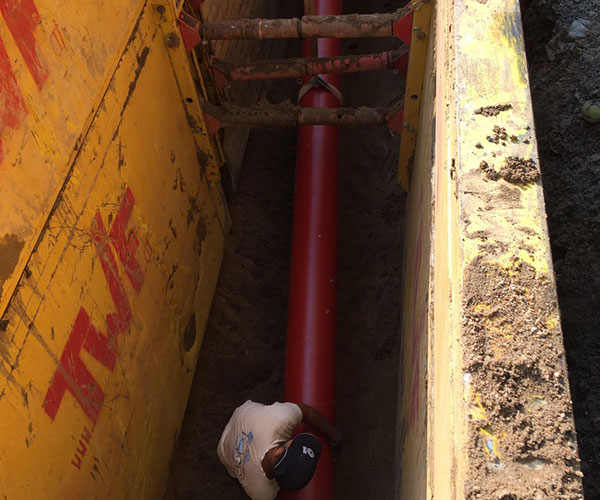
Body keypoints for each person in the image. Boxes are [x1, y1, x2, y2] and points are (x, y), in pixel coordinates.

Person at [217, 400, 341, 500]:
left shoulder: (279, 418)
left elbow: (306, 412)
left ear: (278, 452)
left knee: (237, 475)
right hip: (236, 428)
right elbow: (308, 413)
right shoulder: (263, 493)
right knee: (239, 477)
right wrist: (334, 434)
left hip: (227, 446)